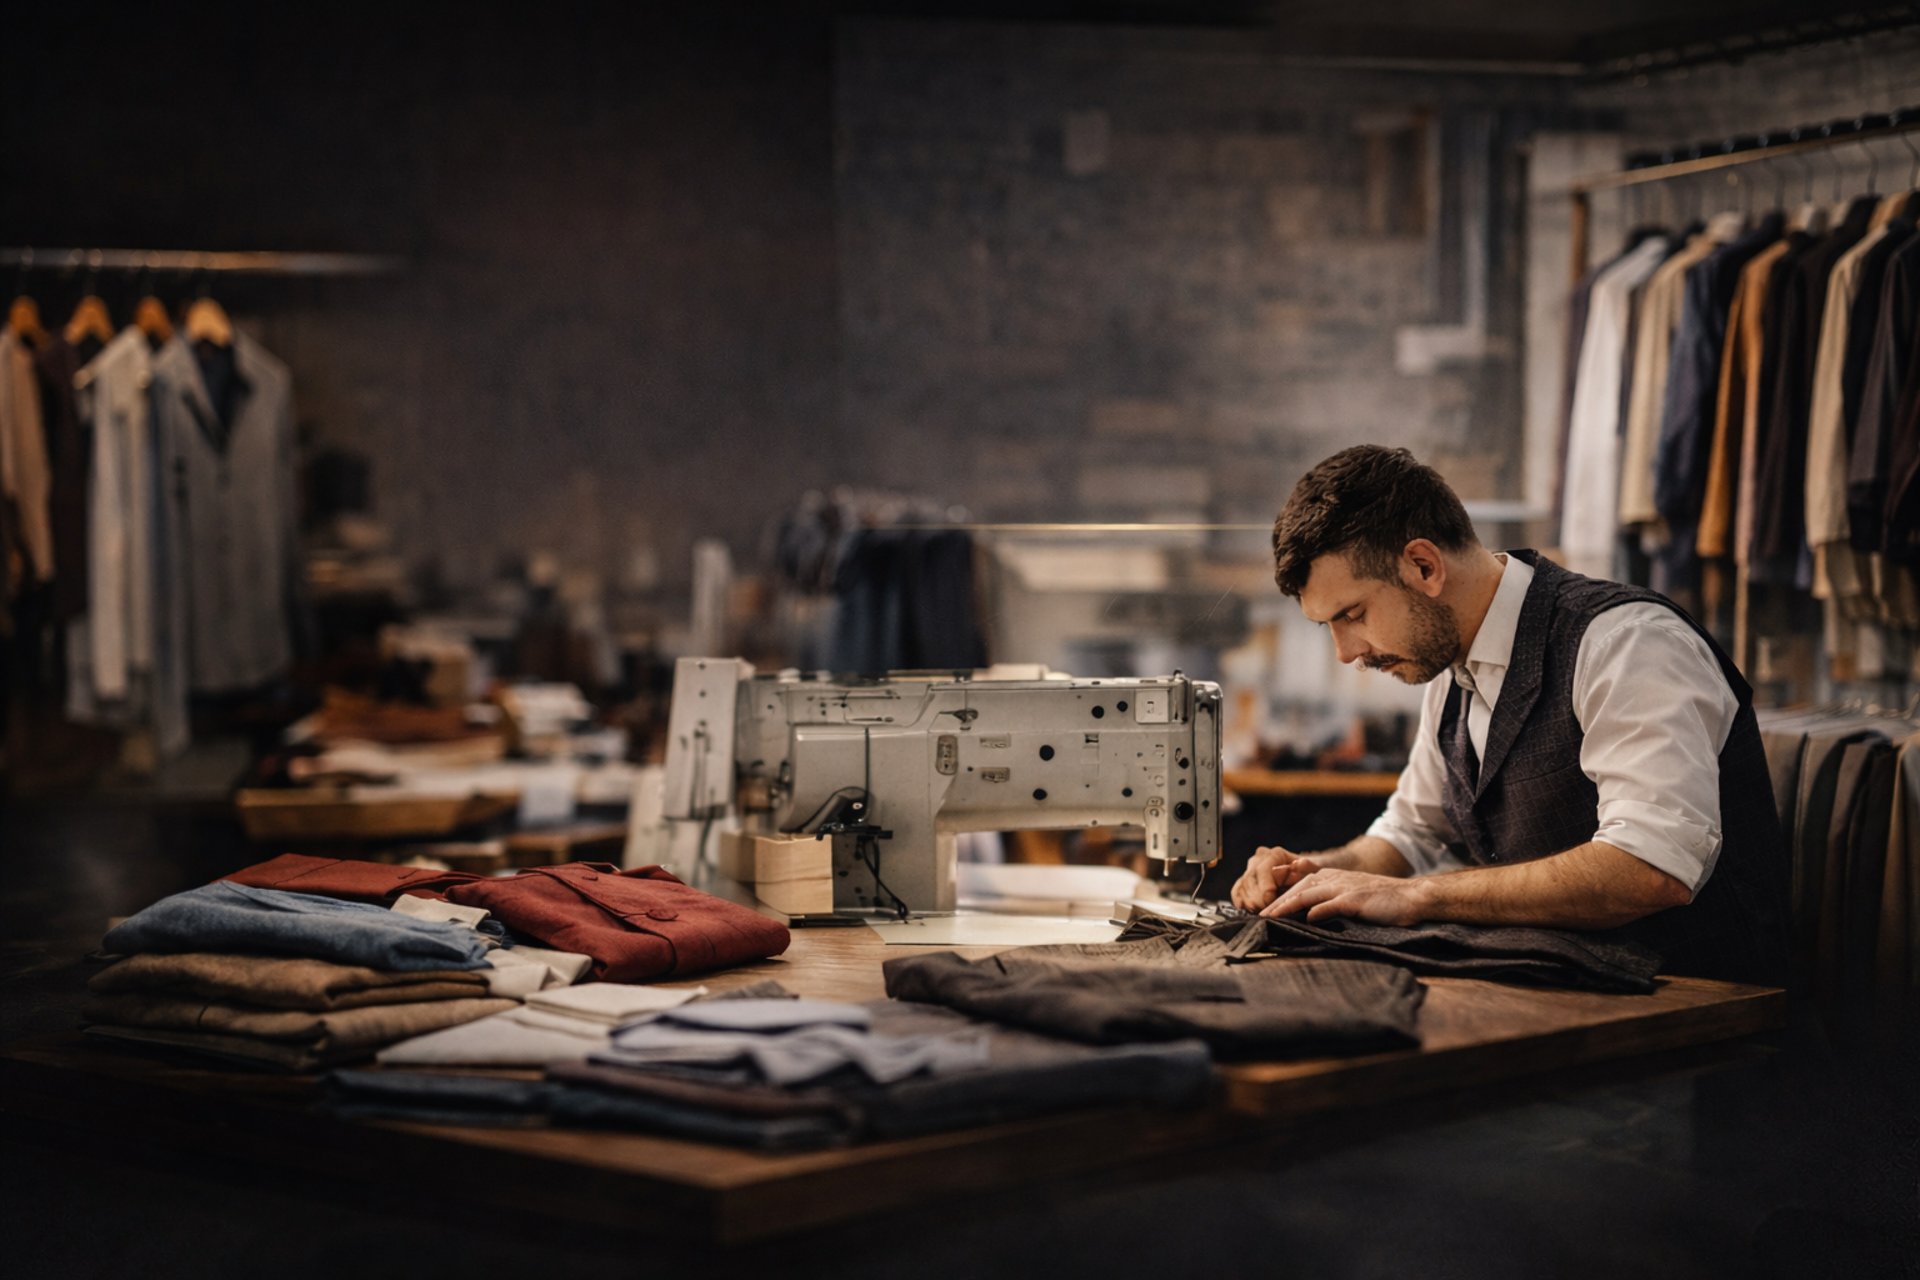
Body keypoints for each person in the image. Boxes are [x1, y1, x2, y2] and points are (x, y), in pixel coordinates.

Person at [1230, 445, 1787, 983]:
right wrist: (1314, 875)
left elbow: (1650, 868)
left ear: (1424, 566)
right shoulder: (1449, 672)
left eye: (1353, 615)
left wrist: (1418, 896)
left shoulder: (1626, 643)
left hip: (1689, 1017)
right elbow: (1412, 833)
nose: (1346, 653)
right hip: (1556, 997)